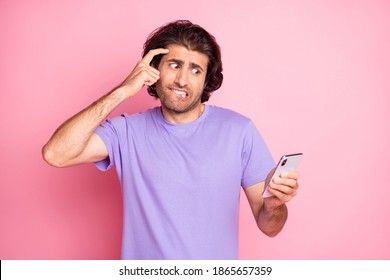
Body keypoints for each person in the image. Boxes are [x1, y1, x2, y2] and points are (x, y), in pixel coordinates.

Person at [42, 20, 300, 260]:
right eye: (174, 65)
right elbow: (56, 154)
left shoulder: (239, 130)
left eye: (195, 70)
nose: (182, 79)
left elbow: (270, 227)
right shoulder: (126, 132)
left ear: (206, 80)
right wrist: (122, 91)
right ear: (154, 70)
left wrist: (274, 205)